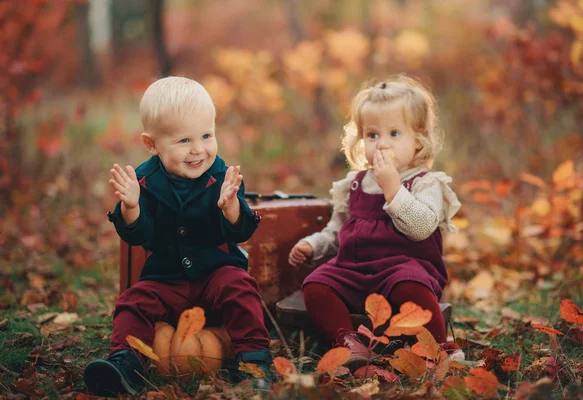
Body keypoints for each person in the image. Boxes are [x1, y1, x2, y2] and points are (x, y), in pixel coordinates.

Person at [84, 77, 273, 396]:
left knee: (240, 286)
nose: (198, 149)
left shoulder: (220, 177)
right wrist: (131, 207)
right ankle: (125, 363)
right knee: (133, 301)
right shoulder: (144, 181)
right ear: (152, 144)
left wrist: (230, 209)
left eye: (206, 135)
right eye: (184, 140)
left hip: (216, 274)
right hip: (167, 280)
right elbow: (139, 235)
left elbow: (242, 231)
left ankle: (255, 363)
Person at [288, 75, 461, 367]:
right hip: (355, 271)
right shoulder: (354, 184)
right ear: (359, 138)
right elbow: (336, 230)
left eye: (394, 134)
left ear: (418, 139)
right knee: (316, 284)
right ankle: (349, 341)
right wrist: (311, 246)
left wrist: (393, 188)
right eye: (372, 135)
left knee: (410, 286)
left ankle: (436, 347)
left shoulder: (425, 183)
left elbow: (421, 229)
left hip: (406, 268)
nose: (381, 144)